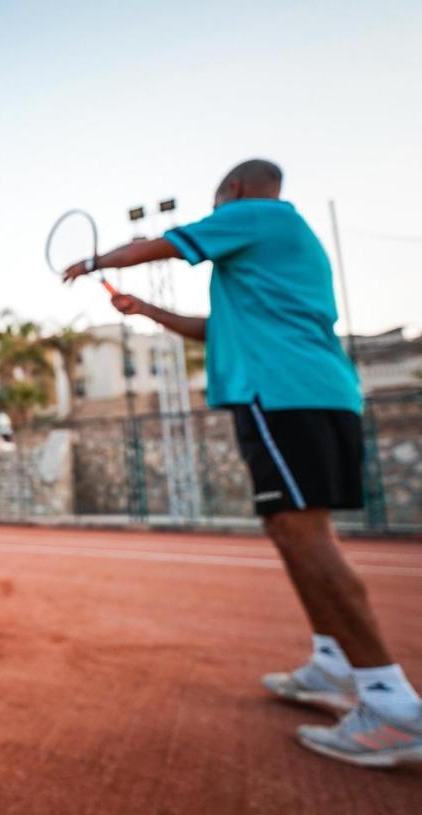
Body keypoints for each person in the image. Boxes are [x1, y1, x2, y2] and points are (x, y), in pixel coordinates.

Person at [62, 159, 421, 768]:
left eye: (218, 203)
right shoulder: (281, 246)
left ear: (232, 192)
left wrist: (95, 262)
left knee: (306, 538)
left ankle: (392, 706)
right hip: (308, 391)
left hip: (284, 393)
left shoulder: (256, 215)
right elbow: (215, 328)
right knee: (293, 531)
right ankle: (334, 665)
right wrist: (146, 312)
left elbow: (165, 245)